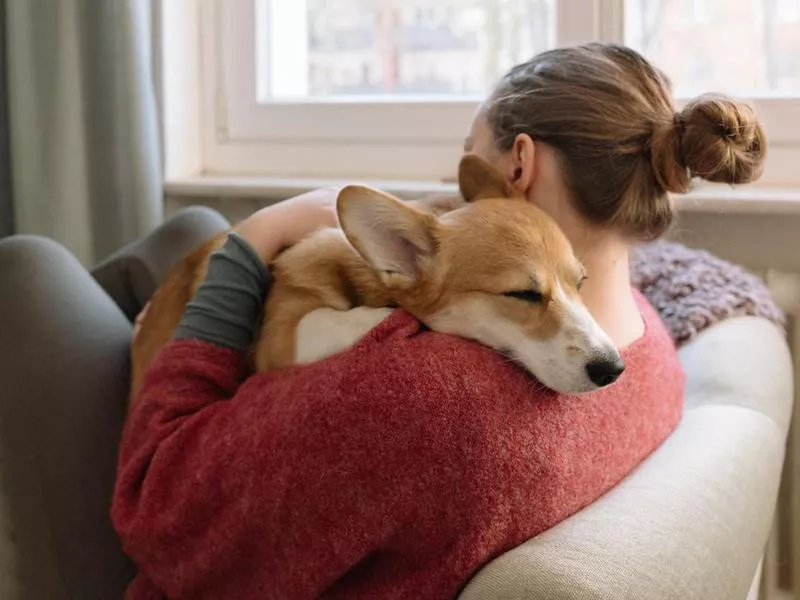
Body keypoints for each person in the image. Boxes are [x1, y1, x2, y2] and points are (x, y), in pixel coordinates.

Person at [115, 43, 762, 599]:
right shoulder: (647, 340)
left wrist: (256, 239)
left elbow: (157, 515)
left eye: (469, 155)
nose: (452, 183)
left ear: (517, 167)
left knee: (31, 270)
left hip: (156, 492)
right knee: (183, 236)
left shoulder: (416, 392)